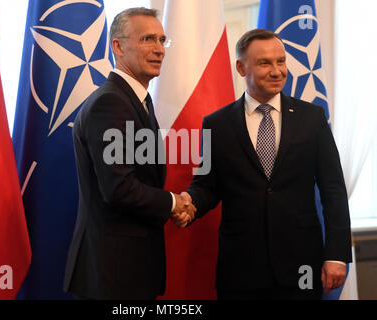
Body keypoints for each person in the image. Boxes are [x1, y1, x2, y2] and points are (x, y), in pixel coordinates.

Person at [183, 29, 351, 300]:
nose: (277, 71)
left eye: (281, 61)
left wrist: (337, 255)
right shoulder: (216, 124)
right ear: (241, 67)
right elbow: (207, 185)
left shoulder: (312, 118)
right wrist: (187, 204)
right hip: (241, 268)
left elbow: (333, 189)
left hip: (301, 264)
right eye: (265, 63)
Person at [63, 7, 195, 300]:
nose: (159, 49)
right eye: (149, 39)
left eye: (163, 40)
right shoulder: (111, 103)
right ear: (118, 46)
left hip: (128, 268)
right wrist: (174, 202)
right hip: (114, 272)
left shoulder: (135, 100)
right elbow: (119, 188)